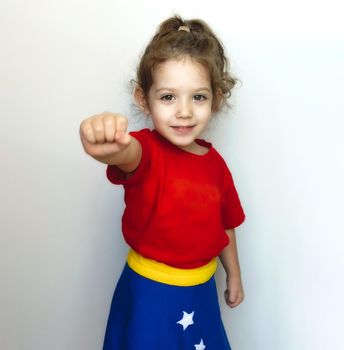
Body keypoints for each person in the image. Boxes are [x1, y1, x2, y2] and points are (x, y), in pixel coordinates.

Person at [80, 15, 245, 350]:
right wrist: (107, 141)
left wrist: (234, 275)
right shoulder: (147, 151)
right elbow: (128, 154)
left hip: (201, 294)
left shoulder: (216, 166)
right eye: (168, 97)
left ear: (215, 99)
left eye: (197, 97)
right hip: (149, 296)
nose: (183, 111)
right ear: (144, 99)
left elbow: (226, 226)